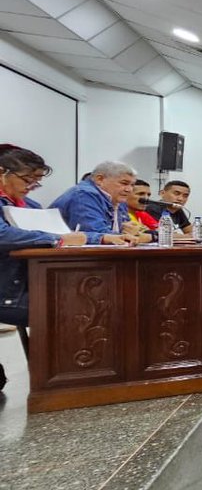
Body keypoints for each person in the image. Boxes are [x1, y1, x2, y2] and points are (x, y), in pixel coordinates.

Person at [0, 146, 91, 387]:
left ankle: (77, 377)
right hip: (7, 291)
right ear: (2, 172)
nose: (31, 186)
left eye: (36, 181)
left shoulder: (29, 205)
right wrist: (56, 239)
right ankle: (60, 382)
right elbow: (2, 235)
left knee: (90, 305)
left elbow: (60, 234)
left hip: (29, 282)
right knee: (74, 314)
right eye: (27, 179)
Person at [50, 160, 138, 242]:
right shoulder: (83, 195)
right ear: (100, 179)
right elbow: (97, 234)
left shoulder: (118, 199)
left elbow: (127, 232)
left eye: (132, 185)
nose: (129, 189)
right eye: (124, 183)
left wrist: (133, 232)